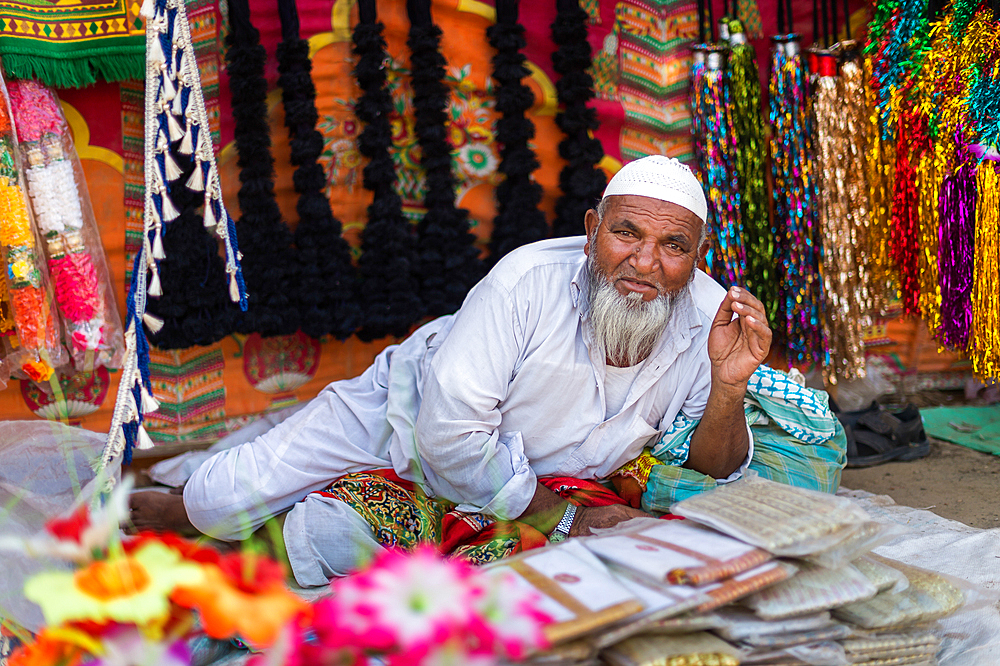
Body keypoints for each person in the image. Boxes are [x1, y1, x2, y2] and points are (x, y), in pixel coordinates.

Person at [131, 155, 774, 587]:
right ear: (590, 232)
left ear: (696, 257)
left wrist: (728, 386)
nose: (645, 262)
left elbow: (711, 468)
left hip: (554, 475)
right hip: (406, 412)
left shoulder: (709, 319)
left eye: (673, 247)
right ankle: (179, 506)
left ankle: (296, 517)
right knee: (219, 502)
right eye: (626, 234)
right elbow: (450, 434)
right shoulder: (524, 283)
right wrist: (568, 520)